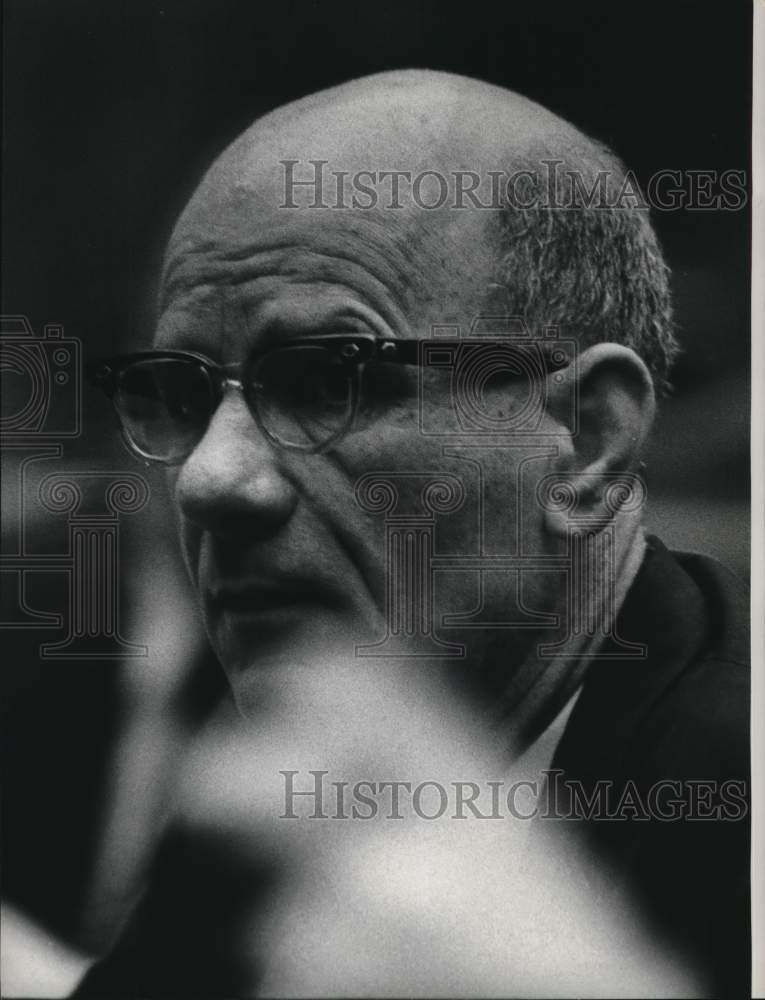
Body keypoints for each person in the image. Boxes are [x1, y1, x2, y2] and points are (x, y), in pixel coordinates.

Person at [79, 70, 749, 996]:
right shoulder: (272, 804)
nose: (207, 479)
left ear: (587, 440)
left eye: (327, 383)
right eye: (181, 395)